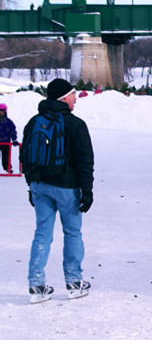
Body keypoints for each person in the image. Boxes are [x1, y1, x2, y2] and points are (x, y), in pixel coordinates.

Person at [22, 78, 94, 304]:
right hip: (66, 188)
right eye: (73, 94)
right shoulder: (75, 124)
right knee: (72, 233)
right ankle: (74, 281)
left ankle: (36, 284)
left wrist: (31, 185)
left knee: (42, 233)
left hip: (39, 186)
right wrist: (87, 190)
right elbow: (85, 161)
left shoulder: (34, 122)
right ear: (64, 97)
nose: (76, 98)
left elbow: (24, 156)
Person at [0, 103, 19, 173]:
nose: (0, 112)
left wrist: (14, 139)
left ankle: (7, 168)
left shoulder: (8, 122)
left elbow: (13, 131)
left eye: (1, 111)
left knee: (6, 157)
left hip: (5, 143)